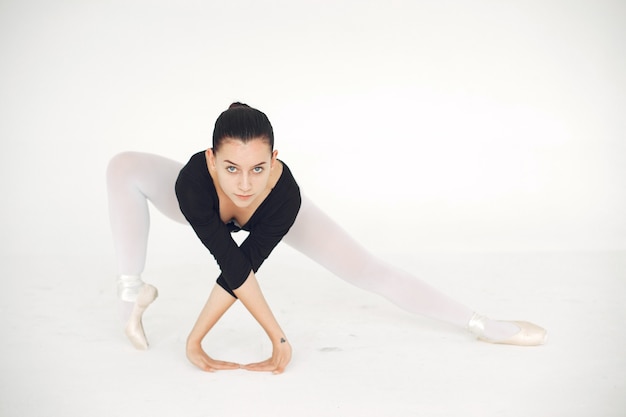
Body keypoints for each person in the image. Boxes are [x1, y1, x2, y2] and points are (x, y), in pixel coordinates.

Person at [106, 102, 547, 374]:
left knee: (367, 269)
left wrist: (266, 339)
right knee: (123, 165)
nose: (244, 184)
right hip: (199, 209)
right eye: (231, 168)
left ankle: (481, 324)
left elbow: (243, 266)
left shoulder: (284, 195)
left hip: (277, 216)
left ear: (274, 160)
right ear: (211, 160)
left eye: (258, 168)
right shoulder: (192, 184)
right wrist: (200, 339)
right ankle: (133, 291)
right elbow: (229, 261)